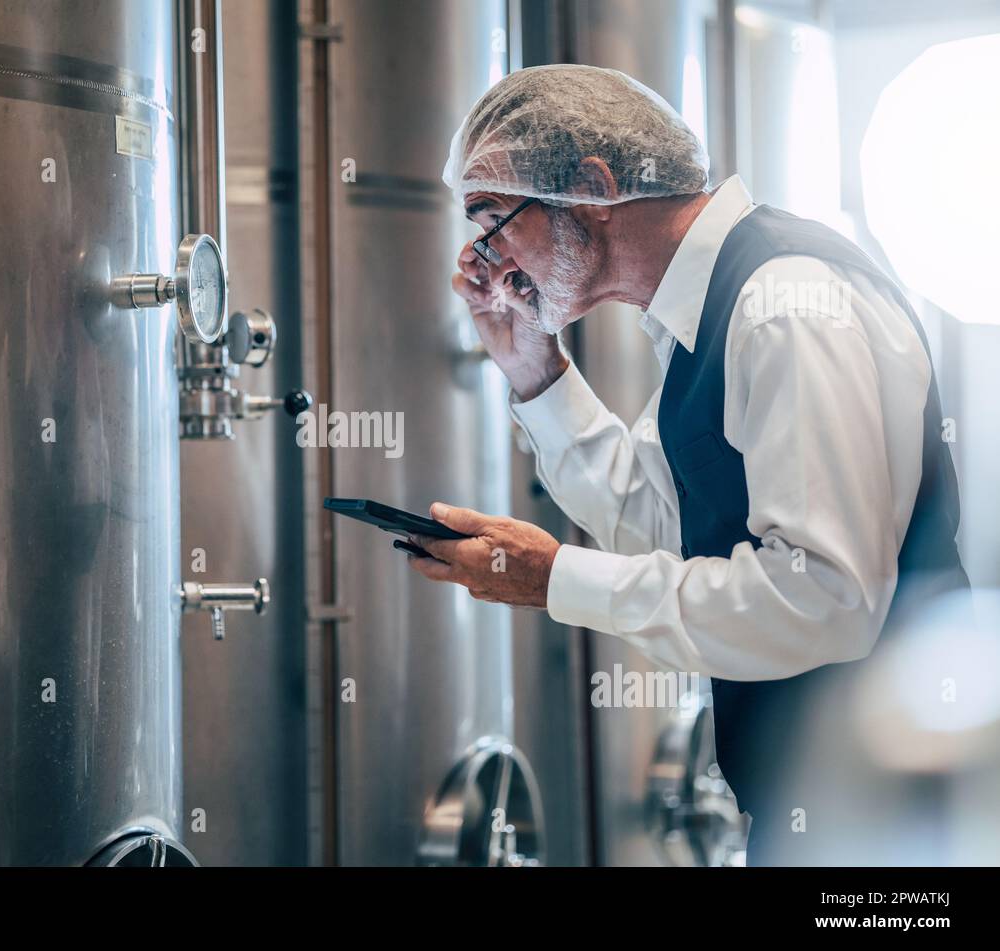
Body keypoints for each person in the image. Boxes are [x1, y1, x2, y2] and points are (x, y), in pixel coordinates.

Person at [405, 64, 969, 865]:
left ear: (593, 188)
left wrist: (555, 578)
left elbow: (827, 598)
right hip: (823, 807)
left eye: (495, 219)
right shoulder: (708, 310)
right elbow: (663, 523)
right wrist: (533, 367)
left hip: (892, 827)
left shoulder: (784, 306)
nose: (484, 257)